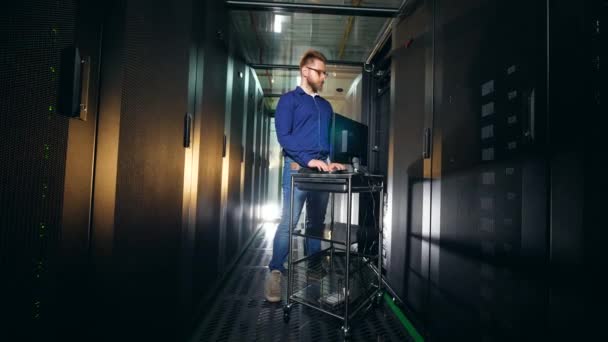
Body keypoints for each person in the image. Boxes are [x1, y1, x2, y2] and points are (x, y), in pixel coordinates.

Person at [265, 49, 346, 303]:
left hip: (321, 170)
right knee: (289, 221)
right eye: (320, 72)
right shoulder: (289, 100)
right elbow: (284, 137)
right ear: (305, 71)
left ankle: (314, 271)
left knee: (316, 223)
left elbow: (329, 139)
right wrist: (306, 159)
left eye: (324, 73)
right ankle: (275, 271)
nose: (324, 77)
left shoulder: (325, 105)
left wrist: (330, 162)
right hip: (298, 167)